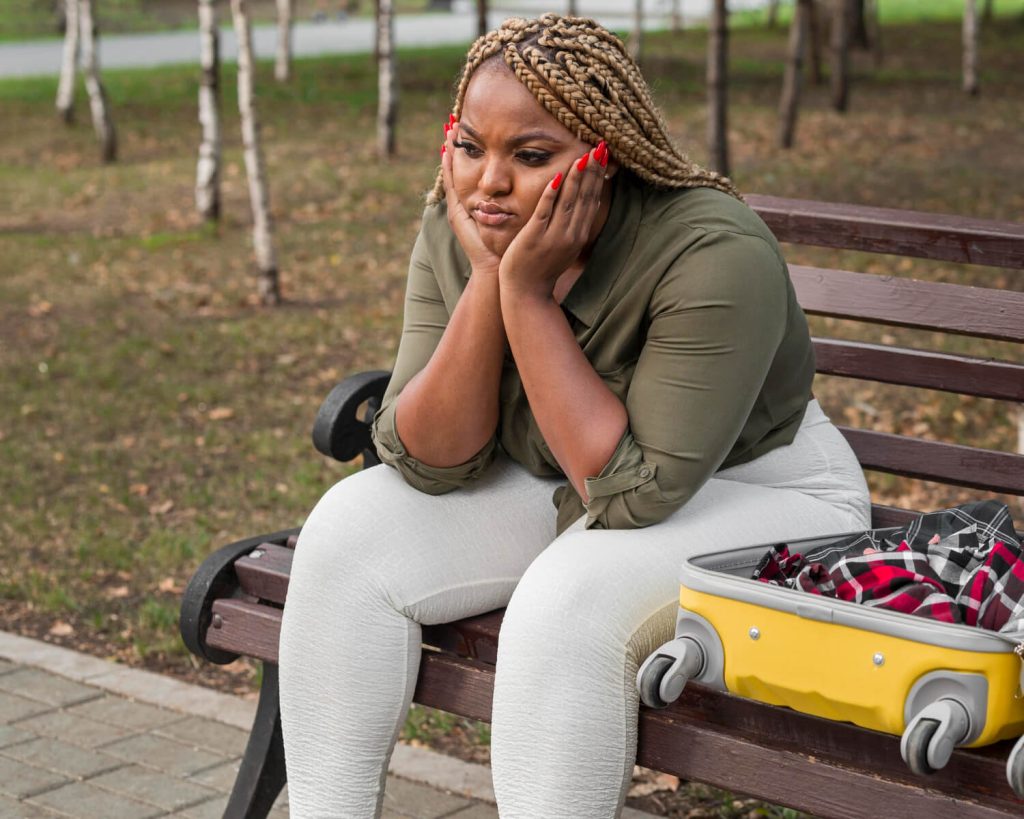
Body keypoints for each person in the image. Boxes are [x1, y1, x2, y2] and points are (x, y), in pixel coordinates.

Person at [279, 13, 871, 818]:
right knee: (348, 532)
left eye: (529, 156)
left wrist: (525, 292)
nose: (487, 181)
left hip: (764, 491)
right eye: (469, 145)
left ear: (606, 159)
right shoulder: (467, 221)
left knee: (567, 598)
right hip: (570, 476)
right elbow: (427, 458)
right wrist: (492, 277)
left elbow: (632, 495)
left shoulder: (715, 251)